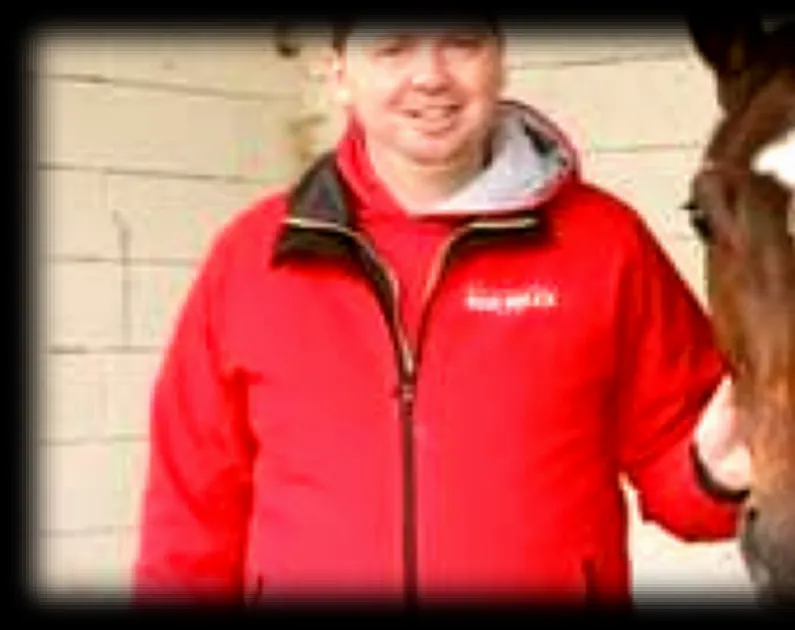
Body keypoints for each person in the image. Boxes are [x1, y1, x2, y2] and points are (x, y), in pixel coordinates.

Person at [132, 16, 750, 608]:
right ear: (340, 74)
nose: (430, 75)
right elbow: (190, 518)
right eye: (393, 47)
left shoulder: (606, 244)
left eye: (461, 42)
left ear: (499, 63)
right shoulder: (250, 257)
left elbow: (686, 480)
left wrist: (721, 476)